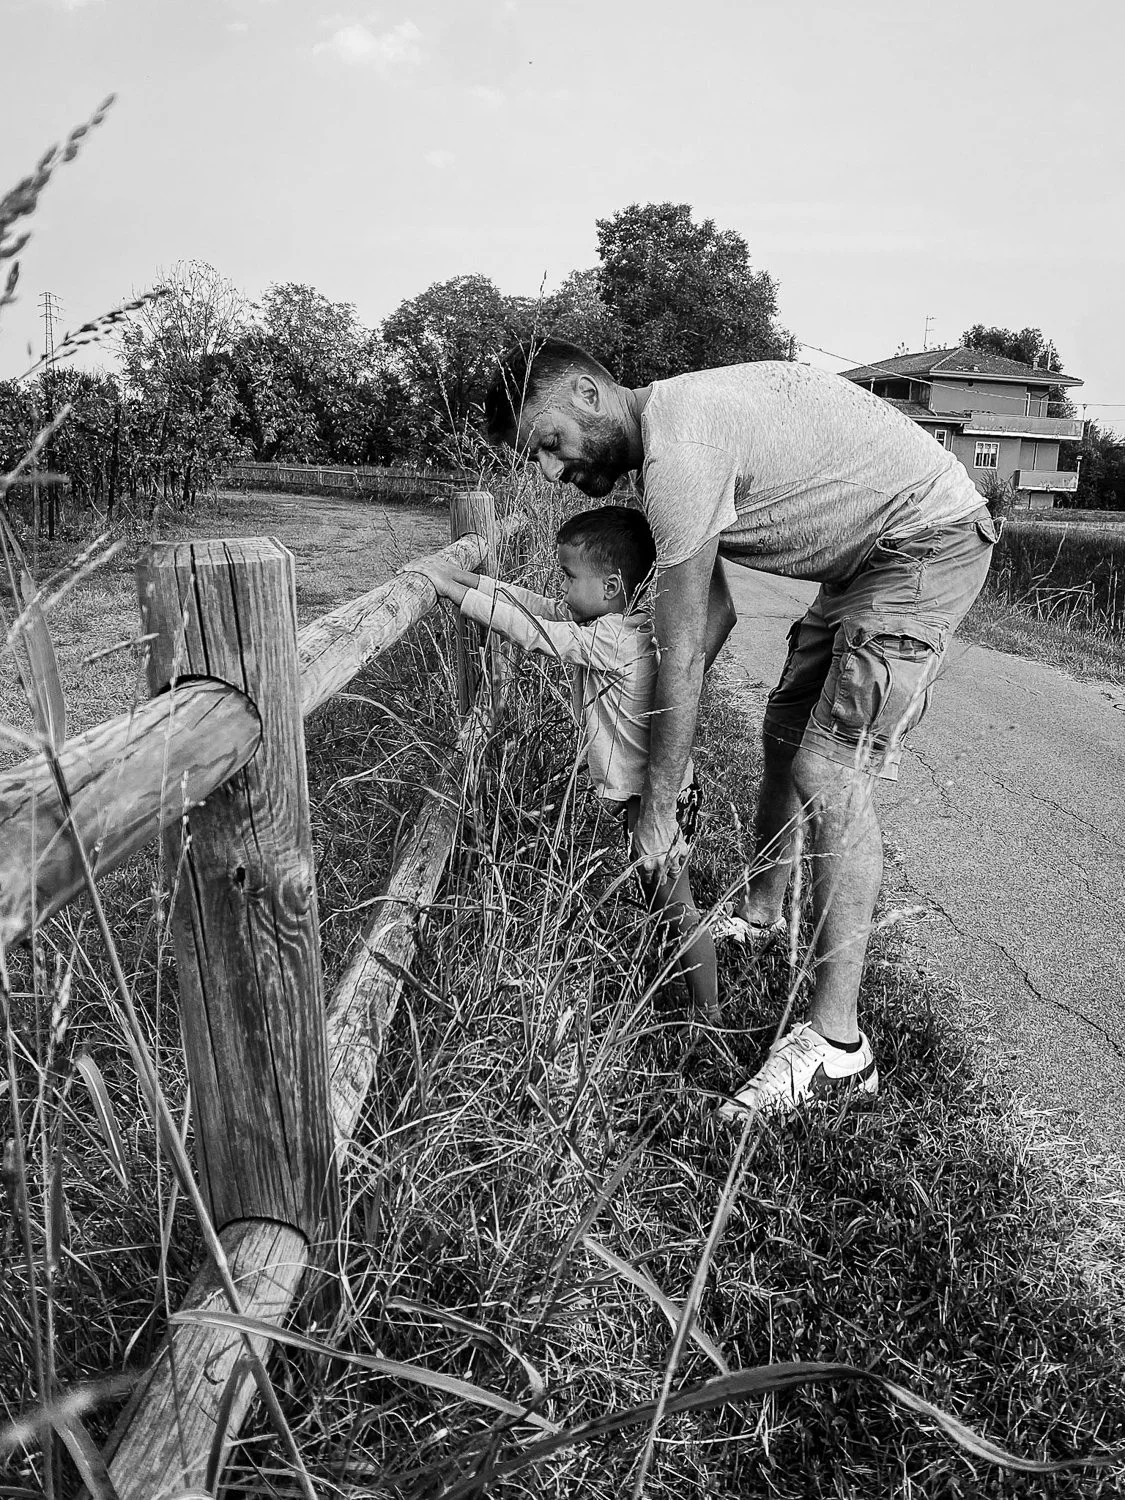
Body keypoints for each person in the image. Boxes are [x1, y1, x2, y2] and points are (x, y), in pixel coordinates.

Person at [483, 339, 1000, 1118]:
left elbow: (684, 643)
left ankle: (837, 1047)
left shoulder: (679, 455)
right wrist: (661, 713)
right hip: (864, 562)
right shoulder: (674, 432)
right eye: (537, 462)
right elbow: (713, 616)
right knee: (783, 737)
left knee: (830, 771)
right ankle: (762, 915)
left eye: (549, 443)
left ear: (589, 394)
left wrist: (660, 802)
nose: (553, 473)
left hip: (921, 545)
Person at [407, 504, 720, 1022]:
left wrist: (457, 592)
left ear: (612, 585)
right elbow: (539, 609)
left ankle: (707, 1014)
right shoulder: (614, 624)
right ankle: (676, 976)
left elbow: (534, 632)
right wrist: (463, 579)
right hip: (651, 793)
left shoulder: (612, 640)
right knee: (661, 893)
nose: (563, 588)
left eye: (570, 577)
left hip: (654, 799)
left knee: (679, 903)